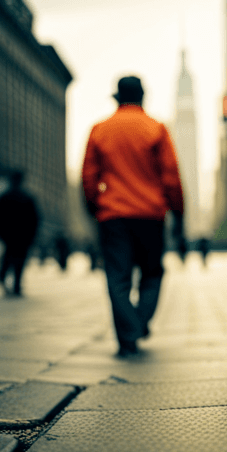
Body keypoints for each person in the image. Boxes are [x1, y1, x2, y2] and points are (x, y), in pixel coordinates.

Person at [82, 76, 186, 357]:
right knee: (152, 274)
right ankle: (138, 323)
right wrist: (178, 213)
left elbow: (89, 176)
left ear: (117, 97)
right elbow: (171, 176)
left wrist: (93, 205)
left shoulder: (99, 130)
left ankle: (128, 336)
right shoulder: (156, 128)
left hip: (113, 215)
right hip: (151, 215)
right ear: (143, 96)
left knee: (117, 277)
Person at [0, 171, 40, 296]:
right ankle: (16, 286)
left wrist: (0, 233)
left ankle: (2, 278)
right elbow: (34, 219)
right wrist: (32, 236)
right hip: (23, 237)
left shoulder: (4, 197)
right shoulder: (27, 198)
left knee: (7, 258)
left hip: (8, 236)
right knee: (19, 261)